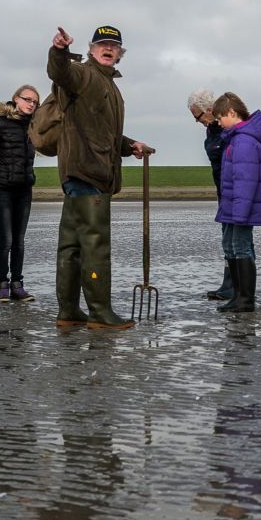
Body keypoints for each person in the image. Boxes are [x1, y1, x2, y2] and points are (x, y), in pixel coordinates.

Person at [46, 25, 153, 329]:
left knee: (71, 245)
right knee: (95, 244)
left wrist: (127, 145)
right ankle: (99, 312)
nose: (108, 49)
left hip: (80, 172)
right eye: (102, 44)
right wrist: (60, 51)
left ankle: (68, 311)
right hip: (87, 172)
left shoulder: (110, 86)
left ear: (120, 54)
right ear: (92, 49)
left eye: (114, 46)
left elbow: (103, 132)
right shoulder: (82, 74)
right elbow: (59, 73)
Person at [212, 92, 261, 313]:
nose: (219, 123)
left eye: (220, 118)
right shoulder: (236, 140)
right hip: (233, 206)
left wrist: (240, 213)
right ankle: (237, 295)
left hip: (241, 208)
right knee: (230, 245)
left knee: (240, 247)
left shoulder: (244, 142)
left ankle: (245, 300)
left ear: (232, 113)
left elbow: (245, 181)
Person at [0, 84, 40, 302]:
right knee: (5, 239)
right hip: (3, 190)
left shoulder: (33, 128)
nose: (31, 104)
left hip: (24, 190)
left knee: (19, 240)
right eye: (27, 99)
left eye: (34, 102)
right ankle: (2, 284)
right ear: (16, 99)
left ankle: (17, 283)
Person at [188, 88, 235, 302]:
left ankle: (238, 287)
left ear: (209, 109)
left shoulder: (227, 130)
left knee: (236, 240)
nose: (197, 121)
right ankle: (230, 284)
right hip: (223, 191)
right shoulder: (213, 130)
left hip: (233, 191)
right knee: (228, 239)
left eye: (198, 116)